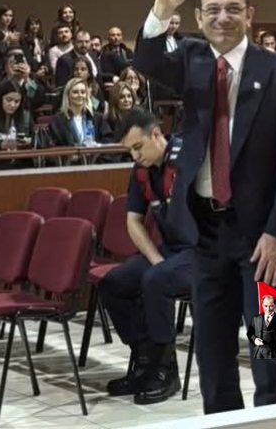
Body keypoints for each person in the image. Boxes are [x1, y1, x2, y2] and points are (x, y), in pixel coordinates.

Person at [134, 0, 276, 414]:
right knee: (212, 355)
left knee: (271, 353)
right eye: (212, 10)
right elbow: (147, 61)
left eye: (233, 9)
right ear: (198, 16)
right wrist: (161, 8)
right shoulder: (191, 59)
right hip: (207, 235)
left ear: (250, 14)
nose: (222, 18)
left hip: (265, 241)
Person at [98, 109, 194, 405]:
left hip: (204, 252)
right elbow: (133, 222)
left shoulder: (189, 157)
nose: (135, 155)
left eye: (138, 147)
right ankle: (144, 361)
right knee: (114, 283)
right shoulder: (141, 170)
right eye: (129, 150)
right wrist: (156, 259)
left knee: (156, 280)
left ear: (156, 134)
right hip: (170, 251)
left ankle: (167, 372)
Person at [246, 295, 276, 359]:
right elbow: (250, 332)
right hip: (258, 353)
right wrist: (255, 340)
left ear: (274, 305)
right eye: (265, 306)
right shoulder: (256, 319)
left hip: (274, 353)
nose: (268, 309)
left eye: (271, 306)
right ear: (262, 305)